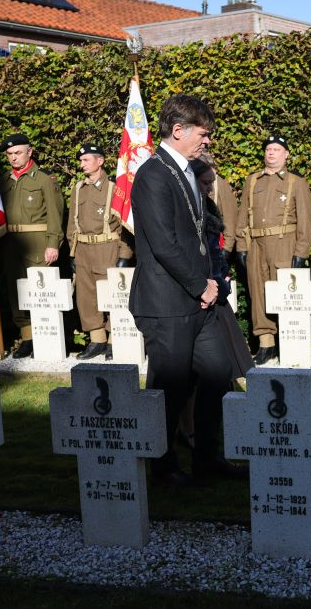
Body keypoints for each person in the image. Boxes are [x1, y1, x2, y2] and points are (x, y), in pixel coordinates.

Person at [128, 94, 240, 489]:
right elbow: (163, 243)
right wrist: (201, 285)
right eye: (203, 134)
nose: (207, 141)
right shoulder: (152, 175)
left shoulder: (188, 171)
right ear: (178, 131)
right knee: (169, 389)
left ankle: (207, 458)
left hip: (197, 298)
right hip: (166, 301)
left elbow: (196, 235)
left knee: (217, 373)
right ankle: (162, 467)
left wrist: (209, 283)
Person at [175, 158, 255, 451]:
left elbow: (216, 250)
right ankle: (189, 431)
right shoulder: (183, 209)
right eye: (205, 182)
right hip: (194, 296)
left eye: (212, 182)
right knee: (190, 374)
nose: (211, 188)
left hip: (215, 294)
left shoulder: (207, 207)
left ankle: (220, 430)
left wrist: (220, 280)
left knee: (224, 367)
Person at [234, 135, 311, 365]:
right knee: (257, 294)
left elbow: (305, 222)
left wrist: (301, 252)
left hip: (284, 244)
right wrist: (241, 245)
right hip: (256, 245)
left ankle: (289, 342)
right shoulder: (253, 181)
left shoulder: (296, 183)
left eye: (277, 149)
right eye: (268, 149)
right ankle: (266, 344)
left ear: (286, 154)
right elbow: (243, 217)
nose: (271, 153)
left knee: (286, 294)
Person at [0, 133, 64, 359]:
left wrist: (53, 243)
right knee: (16, 292)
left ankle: (48, 336)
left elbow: (55, 214)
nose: (13, 158)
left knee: (41, 291)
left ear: (29, 152)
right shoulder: (4, 180)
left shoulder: (44, 179)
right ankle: (27, 338)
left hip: (37, 244)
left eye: (17, 153)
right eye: (9, 154)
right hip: (11, 244)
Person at [66, 143, 134, 361]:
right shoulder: (79, 189)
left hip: (108, 248)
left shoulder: (115, 188)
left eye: (86, 160)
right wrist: (73, 252)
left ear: (100, 161)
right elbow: (71, 224)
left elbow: (125, 224)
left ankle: (115, 340)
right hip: (83, 249)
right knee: (86, 297)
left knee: (113, 295)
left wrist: (125, 254)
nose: (82, 164)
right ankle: (97, 341)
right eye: (81, 160)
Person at [196, 150, 237, 257]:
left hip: (214, 245)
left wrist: (226, 249)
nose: (210, 188)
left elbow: (230, 218)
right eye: (206, 182)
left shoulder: (220, 185)